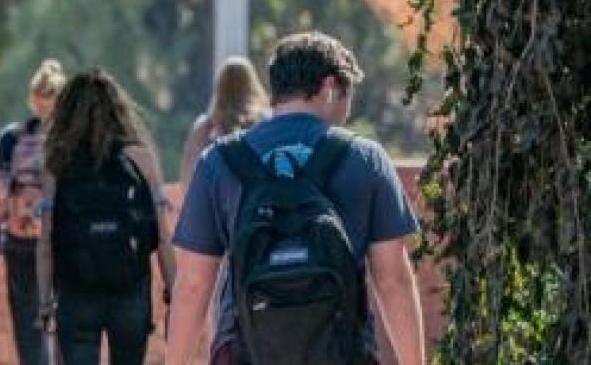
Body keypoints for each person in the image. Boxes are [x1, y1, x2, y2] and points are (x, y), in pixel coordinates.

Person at [166, 32, 424, 365]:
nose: (347, 109)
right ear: (331, 87)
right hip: (340, 350)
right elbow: (392, 280)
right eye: (347, 95)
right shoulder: (365, 159)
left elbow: (193, 285)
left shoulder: (219, 161)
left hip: (246, 350)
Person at [33, 69, 175, 365]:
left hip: (76, 291)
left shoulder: (57, 163)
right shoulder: (139, 157)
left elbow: (46, 241)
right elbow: (162, 236)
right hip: (130, 289)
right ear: (118, 109)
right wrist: (173, 290)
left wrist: (45, 303)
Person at [0, 58, 65, 365]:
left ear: (33, 100)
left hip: (20, 244)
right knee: (66, 319)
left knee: (28, 323)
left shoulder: (11, 139)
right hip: (63, 245)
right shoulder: (72, 141)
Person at [179, 57, 270, 182]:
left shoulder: (205, 127)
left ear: (219, 87)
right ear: (253, 84)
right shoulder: (266, 122)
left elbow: (187, 177)